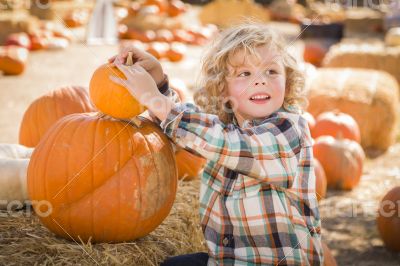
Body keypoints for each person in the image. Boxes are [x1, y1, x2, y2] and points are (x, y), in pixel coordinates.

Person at [108, 22, 323, 265]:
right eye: (245, 73)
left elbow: (228, 143)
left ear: (288, 80)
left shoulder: (289, 129)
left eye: (271, 71)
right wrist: (159, 84)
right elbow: (193, 134)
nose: (260, 81)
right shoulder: (227, 126)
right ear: (222, 88)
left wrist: (154, 100)